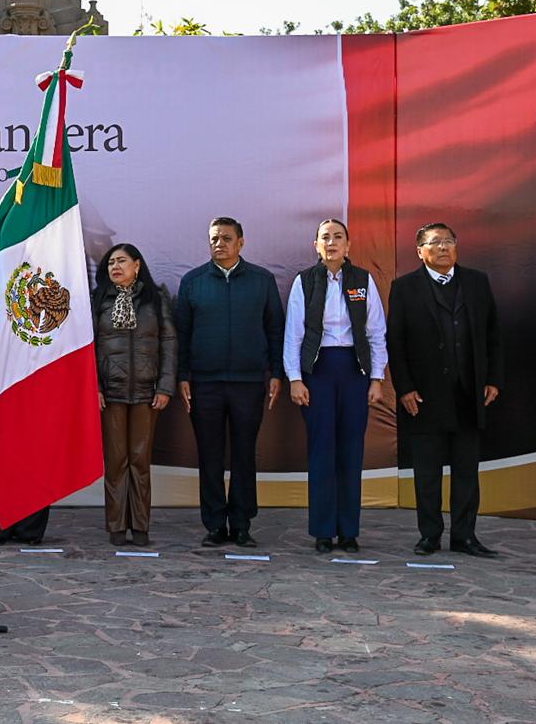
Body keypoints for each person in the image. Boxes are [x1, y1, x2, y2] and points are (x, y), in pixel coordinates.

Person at [388, 223, 502, 558]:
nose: (443, 248)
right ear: (419, 250)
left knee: (467, 471)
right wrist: (405, 388)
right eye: (434, 243)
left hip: (469, 394)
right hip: (424, 397)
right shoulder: (404, 287)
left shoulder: (477, 282)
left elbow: (493, 334)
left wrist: (493, 378)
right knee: (427, 472)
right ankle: (430, 535)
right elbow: (396, 343)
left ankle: (465, 536)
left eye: (448, 241)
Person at [175, 217, 285, 549]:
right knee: (209, 455)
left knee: (243, 455)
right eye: (213, 239)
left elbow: (275, 330)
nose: (218, 244)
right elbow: (182, 334)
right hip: (205, 384)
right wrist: (182, 375)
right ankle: (214, 525)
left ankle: (240, 524)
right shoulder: (193, 282)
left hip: (249, 383)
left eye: (225, 238)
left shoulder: (262, 281)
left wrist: (276, 373)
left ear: (241, 242)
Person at [284, 220, 387, 554]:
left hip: (354, 371)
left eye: (338, 237)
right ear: (315, 244)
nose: (332, 242)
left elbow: (375, 333)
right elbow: (293, 334)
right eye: (325, 237)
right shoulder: (305, 282)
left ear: (348, 245)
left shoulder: (362, 280)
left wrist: (377, 378)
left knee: (351, 450)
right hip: (318, 371)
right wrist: (295, 378)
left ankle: (349, 531)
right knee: (322, 450)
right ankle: (323, 531)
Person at [91, 243, 177, 547]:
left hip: (146, 392)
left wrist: (165, 386)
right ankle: (116, 526)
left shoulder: (156, 299)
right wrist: (94, 387)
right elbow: (87, 348)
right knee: (116, 461)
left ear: (137, 265)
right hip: (110, 393)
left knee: (140, 460)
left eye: (122, 261)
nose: (115, 267)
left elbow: (168, 343)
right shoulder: (99, 299)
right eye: (111, 262)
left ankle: (140, 527)